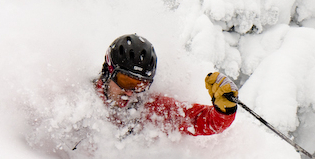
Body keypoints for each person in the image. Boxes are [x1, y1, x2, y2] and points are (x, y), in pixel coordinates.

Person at [95, 34, 238, 137]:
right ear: (108, 71)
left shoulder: (151, 109)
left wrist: (225, 110)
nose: (130, 93)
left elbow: (198, 120)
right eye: (125, 82)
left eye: (140, 85)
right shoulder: (82, 99)